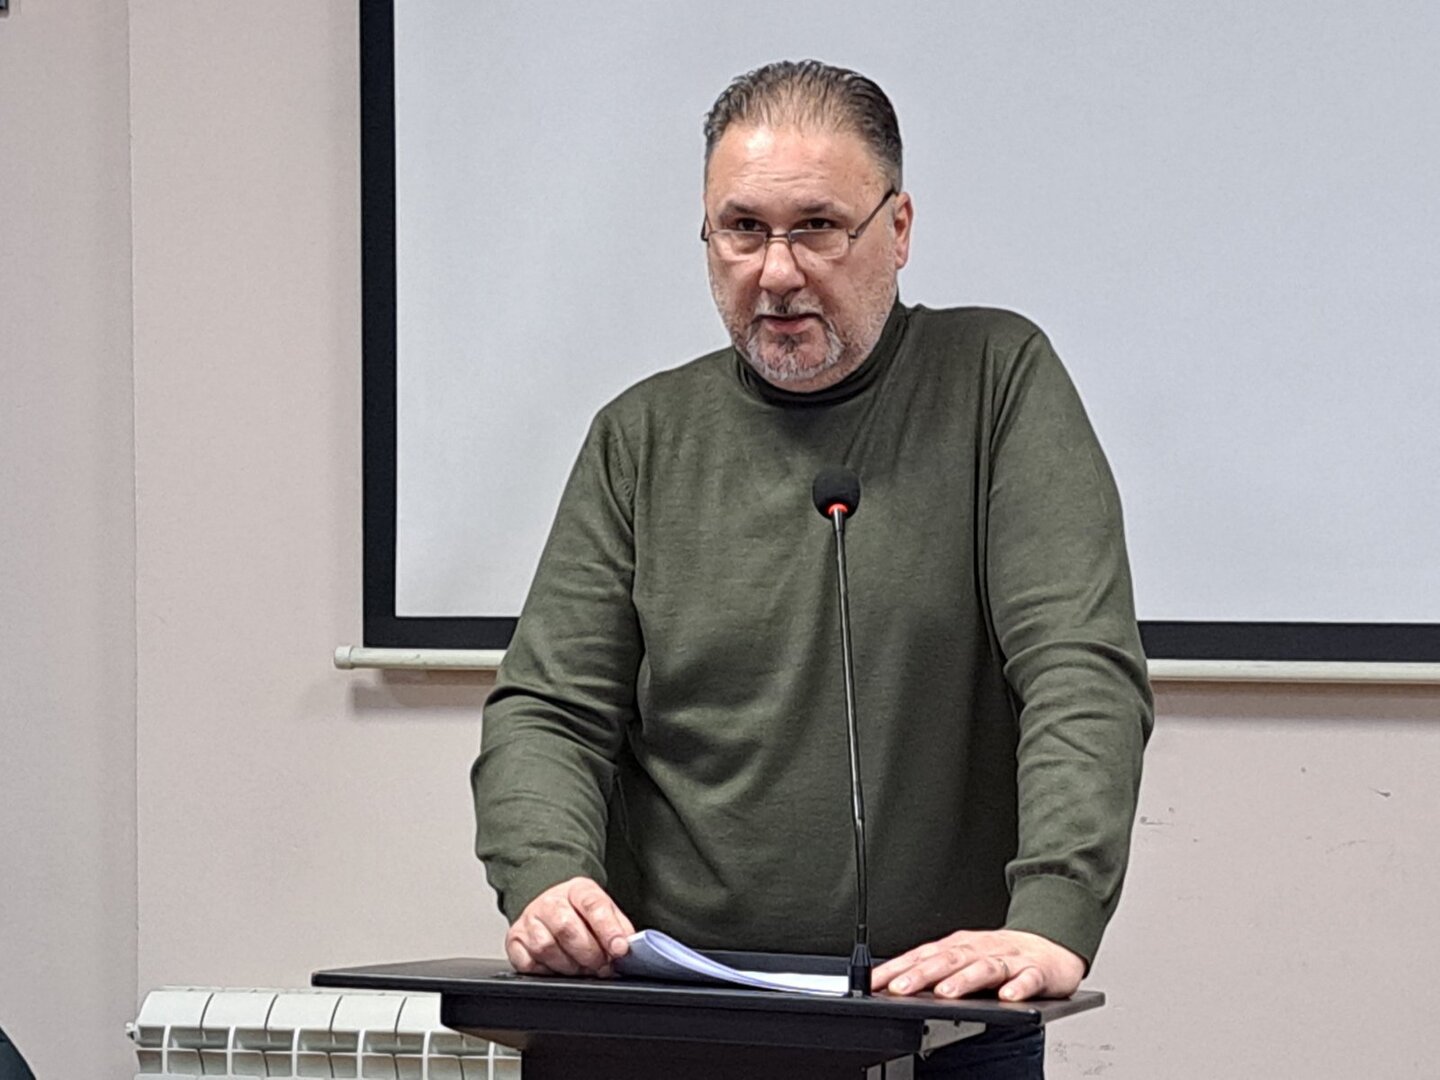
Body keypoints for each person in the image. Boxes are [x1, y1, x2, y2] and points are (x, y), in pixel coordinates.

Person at [471, 60, 1152, 1078]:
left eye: (818, 228)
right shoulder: (642, 435)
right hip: (666, 1012)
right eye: (742, 230)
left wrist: (1053, 916)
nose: (777, 271)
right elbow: (548, 709)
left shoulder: (995, 382)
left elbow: (1077, 669)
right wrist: (547, 877)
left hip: (931, 1015)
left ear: (899, 229)